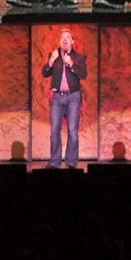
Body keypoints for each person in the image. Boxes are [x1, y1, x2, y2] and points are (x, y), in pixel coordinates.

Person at [41, 28, 88, 168]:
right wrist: (51, 60)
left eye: (67, 37)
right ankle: (55, 162)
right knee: (54, 131)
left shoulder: (79, 57)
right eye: (62, 38)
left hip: (73, 97)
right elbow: (45, 73)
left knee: (72, 131)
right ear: (60, 41)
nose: (64, 39)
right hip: (57, 98)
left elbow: (83, 74)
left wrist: (71, 63)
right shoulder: (54, 55)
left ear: (72, 41)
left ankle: (71, 162)